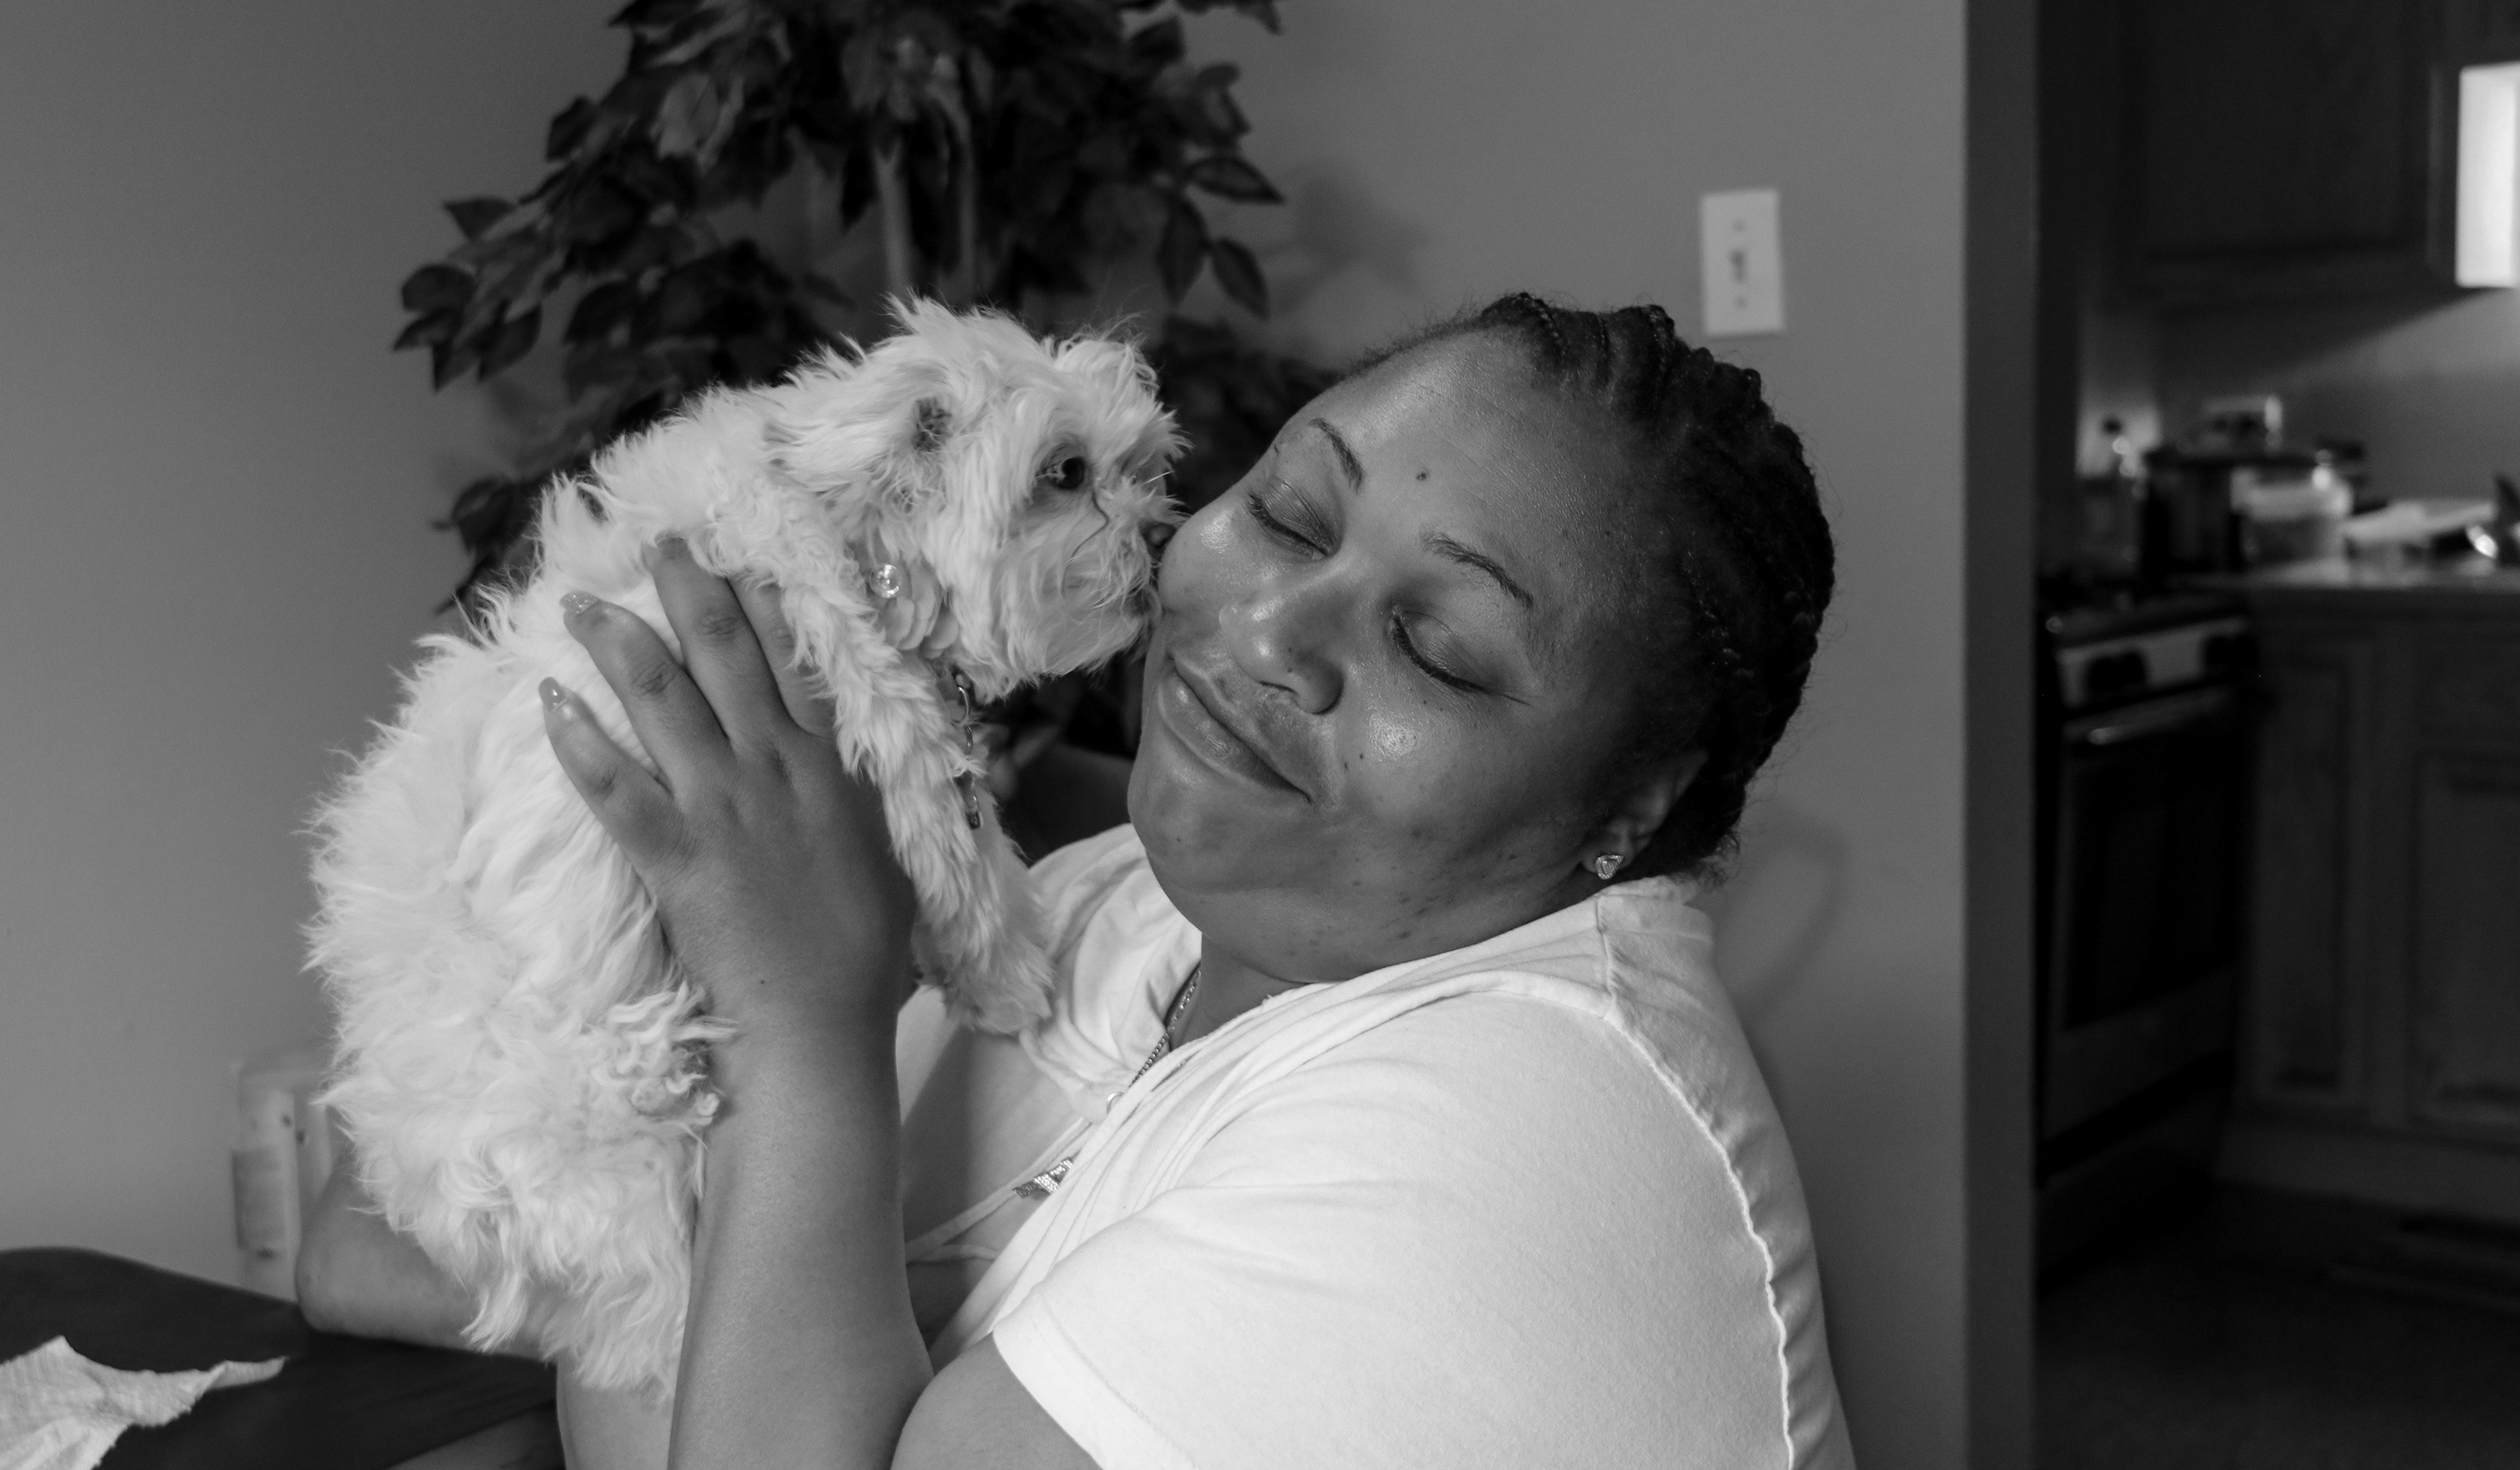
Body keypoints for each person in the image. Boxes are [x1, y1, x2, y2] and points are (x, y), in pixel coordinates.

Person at [299, 294, 1852, 1469]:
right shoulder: (1139, 898)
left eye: (1435, 645)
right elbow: (381, 1245)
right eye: (1291, 511)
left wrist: (800, 1028)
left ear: (1628, 808)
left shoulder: (1522, 1138)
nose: (1265, 629)